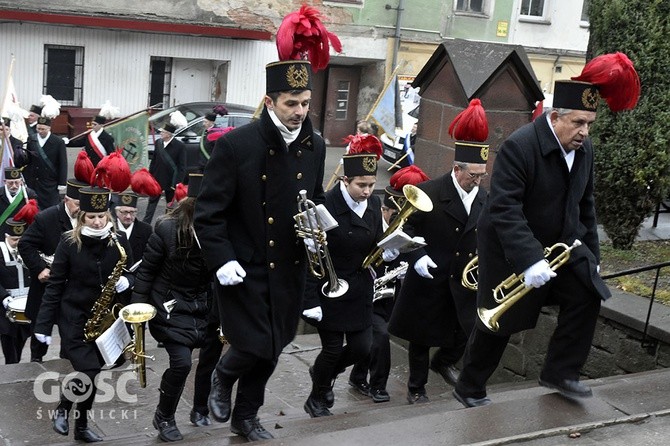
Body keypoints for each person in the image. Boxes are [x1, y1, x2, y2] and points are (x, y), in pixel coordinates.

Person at [453, 53, 640, 408]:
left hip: (562, 244)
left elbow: (586, 206)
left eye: (590, 123)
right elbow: (505, 208)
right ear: (555, 118)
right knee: (502, 321)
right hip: (511, 248)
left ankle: (560, 372)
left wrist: (593, 258)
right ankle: (470, 387)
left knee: (588, 291)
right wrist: (529, 259)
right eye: (578, 122)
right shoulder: (519, 147)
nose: (585, 131)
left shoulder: (584, 150)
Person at [193, 59, 326, 440]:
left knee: (275, 346)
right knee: (253, 342)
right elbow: (208, 212)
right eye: (291, 103)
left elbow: (314, 197)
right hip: (244, 264)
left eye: (305, 103)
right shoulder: (237, 145)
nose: (300, 112)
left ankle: (246, 417)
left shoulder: (314, 144)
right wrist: (222, 259)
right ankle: (224, 374)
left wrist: (318, 225)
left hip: (289, 264)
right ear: (270, 102)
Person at [389, 99, 490, 404]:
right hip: (430, 277)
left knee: (465, 331)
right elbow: (401, 229)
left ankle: (444, 362)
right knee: (420, 340)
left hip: (462, 281)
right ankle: (416, 387)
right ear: (456, 168)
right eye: (473, 175)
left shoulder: (485, 197)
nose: (478, 181)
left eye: (482, 175)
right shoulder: (430, 191)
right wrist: (416, 256)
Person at [300, 134, 398, 418]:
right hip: (329, 289)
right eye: (361, 185)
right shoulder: (325, 205)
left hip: (358, 289)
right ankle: (317, 397)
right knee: (331, 349)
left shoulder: (371, 205)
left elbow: (375, 244)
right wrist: (309, 300)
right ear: (345, 180)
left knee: (361, 348)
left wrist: (387, 254)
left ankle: (322, 373)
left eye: (371, 185)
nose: (368, 191)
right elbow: (311, 258)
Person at [33, 186, 134, 443]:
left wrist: (127, 282)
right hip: (75, 319)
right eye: (91, 217)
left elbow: (134, 271)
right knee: (88, 371)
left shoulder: (119, 241)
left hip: (105, 321)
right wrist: (43, 327)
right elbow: (55, 286)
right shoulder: (68, 242)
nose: (98, 222)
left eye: (102, 216)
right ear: (82, 217)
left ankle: (81, 427)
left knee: (93, 373)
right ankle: (63, 410)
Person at [131, 173, 211, 442]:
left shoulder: (220, 227)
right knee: (182, 363)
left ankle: (201, 408)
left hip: (205, 306)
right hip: (171, 305)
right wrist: (138, 311)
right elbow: (146, 272)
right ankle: (164, 416)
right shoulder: (167, 228)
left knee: (210, 361)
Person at [348, 165, 428, 403]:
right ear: (385, 208)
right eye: (395, 215)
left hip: (395, 293)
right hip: (368, 293)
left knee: (372, 340)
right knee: (379, 336)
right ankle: (378, 385)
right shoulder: (370, 219)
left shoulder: (411, 230)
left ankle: (357, 376)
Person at [18, 178, 87, 363]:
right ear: (66, 200)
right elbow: (25, 244)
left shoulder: (88, 218)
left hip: (73, 288)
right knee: (40, 335)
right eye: (78, 204)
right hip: (46, 287)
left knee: (71, 333)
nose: (81, 209)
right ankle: (35, 362)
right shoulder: (46, 218)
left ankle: (67, 364)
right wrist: (39, 269)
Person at [0, 218, 32, 364]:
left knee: (21, 341)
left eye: (21, 238)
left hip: (26, 305)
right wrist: (4, 296)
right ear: (6, 236)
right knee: (9, 343)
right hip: (6, 308)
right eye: (14, 239)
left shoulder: (28, 249)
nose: (18, 242)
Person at [143, 123, 186, 225]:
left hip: (171, 181)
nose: (161, 133)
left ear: (169, 134)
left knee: (170, 206)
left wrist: (178, 182)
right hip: (157, 179)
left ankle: (168, 224)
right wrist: (150, 175)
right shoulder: (158, 143)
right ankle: (146, 223)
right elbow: (154, 160)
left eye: (163, 132)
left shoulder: (180, 146)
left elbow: (182, 166)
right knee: (151, 203)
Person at [24, 117, 68, 210]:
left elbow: (63, 163)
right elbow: (28, 159)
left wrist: (62, 182)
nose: (40, 131)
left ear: (49, 128)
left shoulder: (58, 142)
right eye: (38, 128)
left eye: (43, 129)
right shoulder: (32, 139)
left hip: (49, 182)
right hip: (33, 180)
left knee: (50, 208)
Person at [112, 191, 152, 265]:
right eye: (124, 212)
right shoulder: (109, 228)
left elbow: (149, 257)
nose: (128, 216)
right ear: (117, 212)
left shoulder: (146, 230)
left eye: (132, 212)